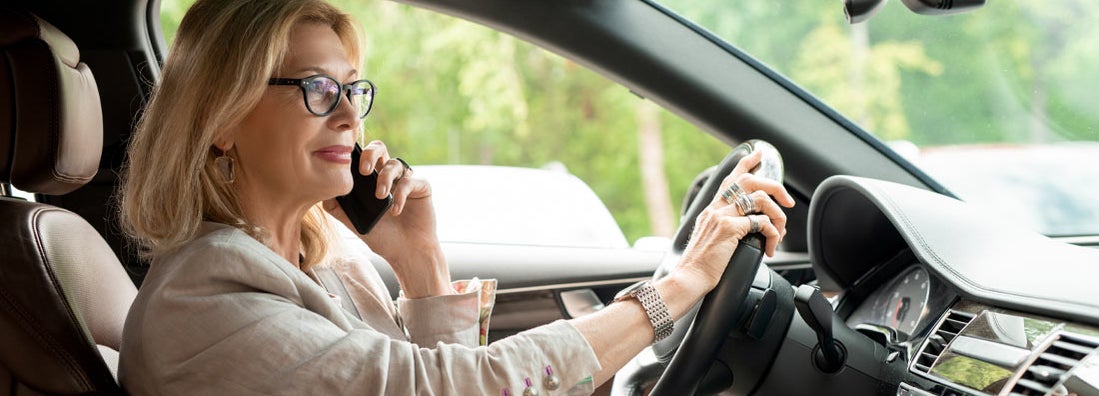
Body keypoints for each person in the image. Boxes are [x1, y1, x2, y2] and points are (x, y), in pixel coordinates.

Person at [116, 0, 795, 394]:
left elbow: (440, 378)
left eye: (353, 88)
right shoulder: (204, 307)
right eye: (317, 90)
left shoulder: (323, 263)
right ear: (223, 119)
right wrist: (679, 285)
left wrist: (420, 266)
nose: (350, 116)